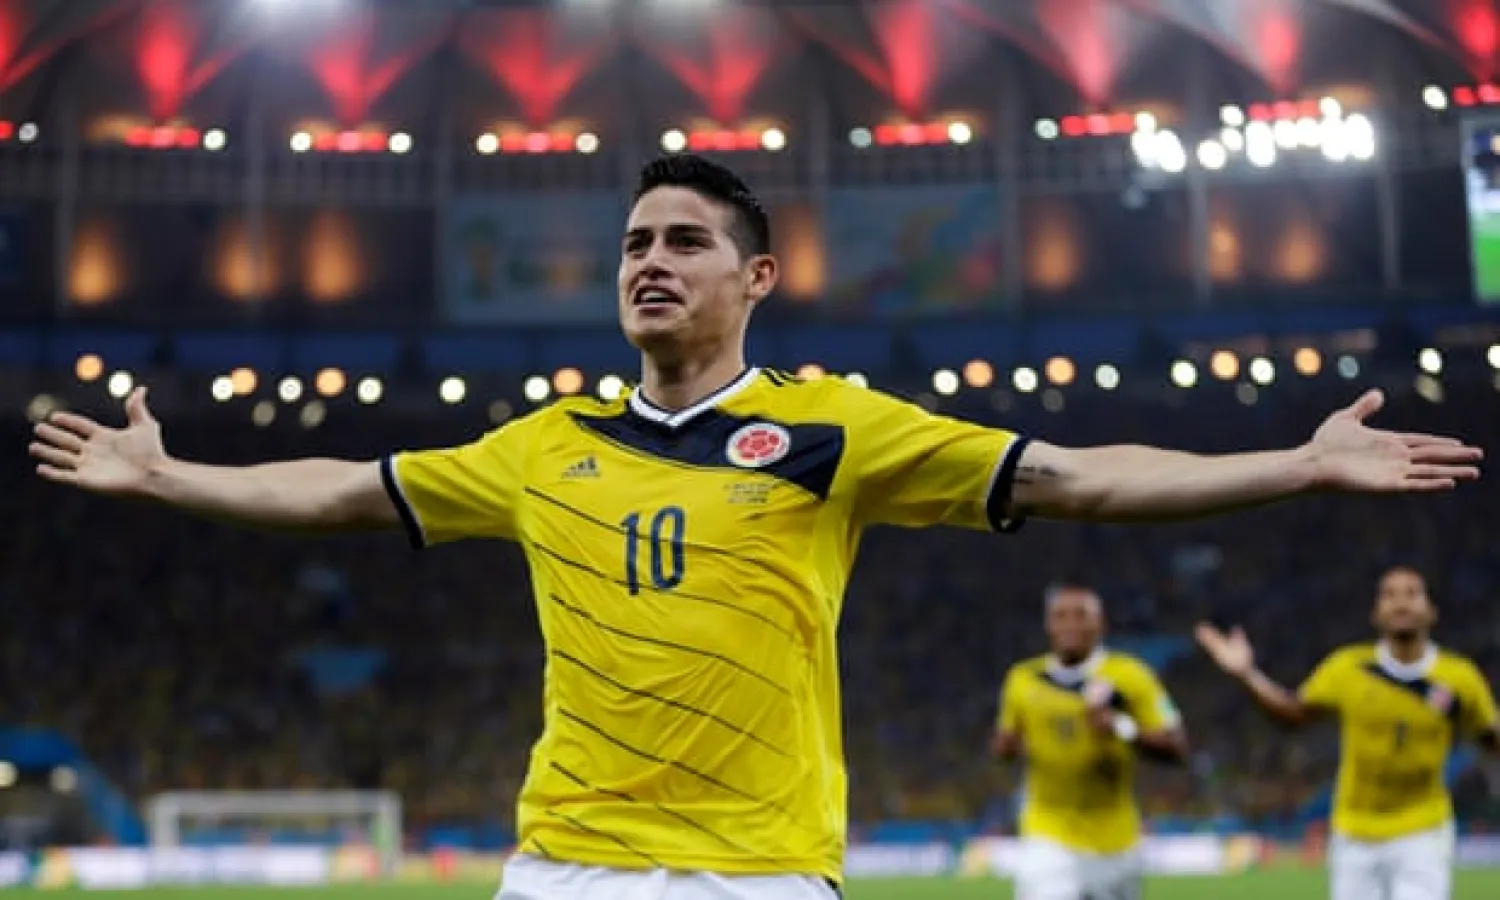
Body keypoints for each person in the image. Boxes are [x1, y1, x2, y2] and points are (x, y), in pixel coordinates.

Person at [28, 154, 1483, 900]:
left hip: (760, 870)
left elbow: (1071, 477)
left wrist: (1294, 462)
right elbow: (342, 491)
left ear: (757, 274)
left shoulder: (836, 430)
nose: (648, 264)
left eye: (683, 242)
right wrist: (170, 480)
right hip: (565, 865)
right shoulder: (544, 447)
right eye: (632, 245)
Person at [1196, 566, 1500, 900]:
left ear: (1431, 611)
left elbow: (1491, 738)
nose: (1401, 603)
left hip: (1423, 831)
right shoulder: (1347, 668)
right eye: (1390, 594)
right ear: (1375, 613)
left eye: (1412, 594)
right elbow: (1292, 715)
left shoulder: (1459, 678)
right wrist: (1247, 675)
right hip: (1355, 832)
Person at [991, 583, 1187, 900]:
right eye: (1060, 616)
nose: (1070, 625)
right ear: (1048, 624)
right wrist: (1006, 747)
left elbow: (1177, 747)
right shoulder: (1022, 679)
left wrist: (1121, 727)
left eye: (1081, 616)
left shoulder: (1131, 675)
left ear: (1101, 624)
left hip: (1116, 841)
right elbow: (1004, 745)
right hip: (1048, 835)